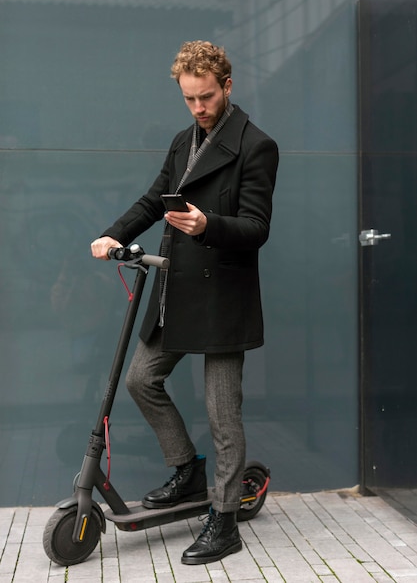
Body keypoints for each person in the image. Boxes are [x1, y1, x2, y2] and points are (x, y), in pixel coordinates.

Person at [91, 40, 279, 565]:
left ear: (227, 86)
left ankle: (224, 521)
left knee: (223, 414)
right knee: (140, 380)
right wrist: (111, 234)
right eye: (190, 99)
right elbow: (155, 199)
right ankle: (187, 469)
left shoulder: (256, 145)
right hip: (177, 289)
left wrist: (207, 225)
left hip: (222, 295)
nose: (199, 107)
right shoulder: (182, 141)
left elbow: (257, 228)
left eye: (207, 97)